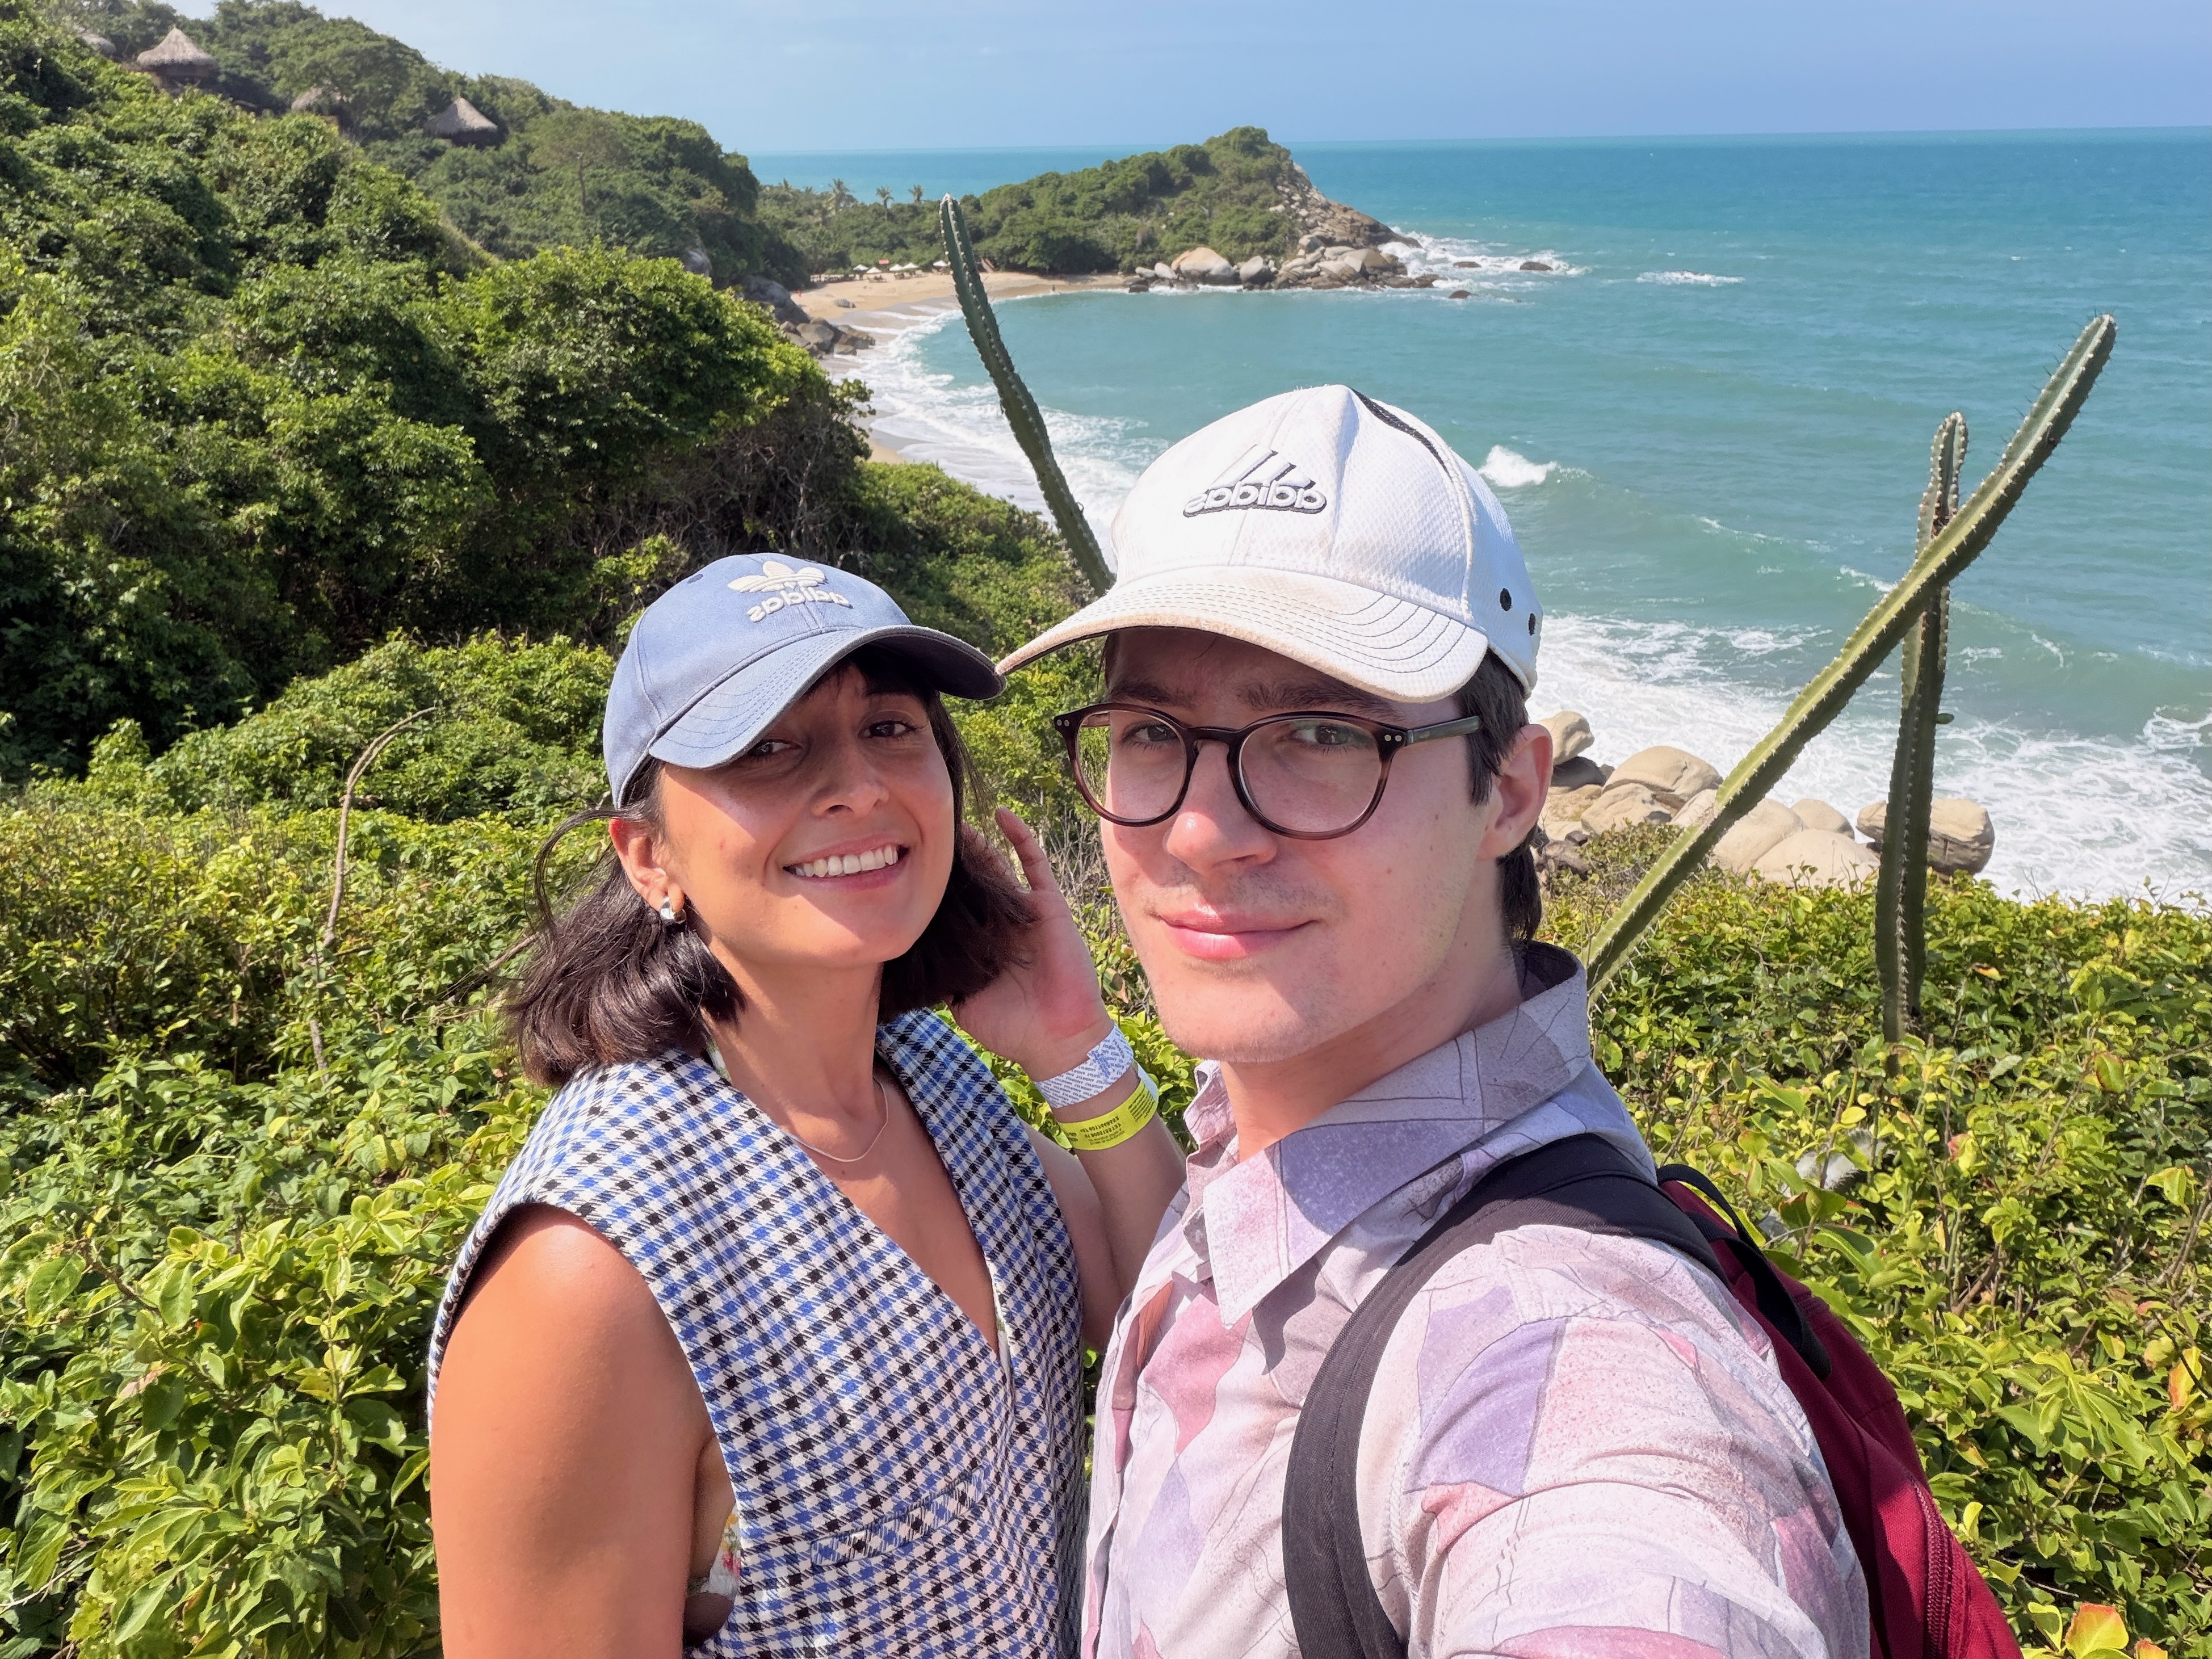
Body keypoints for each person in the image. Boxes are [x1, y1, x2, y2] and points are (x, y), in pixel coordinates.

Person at [1000, 386, 1869, 1659]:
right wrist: (1077, 1050)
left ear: (1510, 789)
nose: (1196, 830)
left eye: (1317, 732)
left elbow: (1617, 1541)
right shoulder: (1273, 1127)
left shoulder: (1575, 1351)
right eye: (1149, 732)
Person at [426, 555, 1183, 1658]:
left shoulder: (936, 1077)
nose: (858, 786)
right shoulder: (590, 1274)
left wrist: (1078, 1054)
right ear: (648, 858)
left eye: (888, 729)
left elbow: (1156, 1324)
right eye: (766, 748)